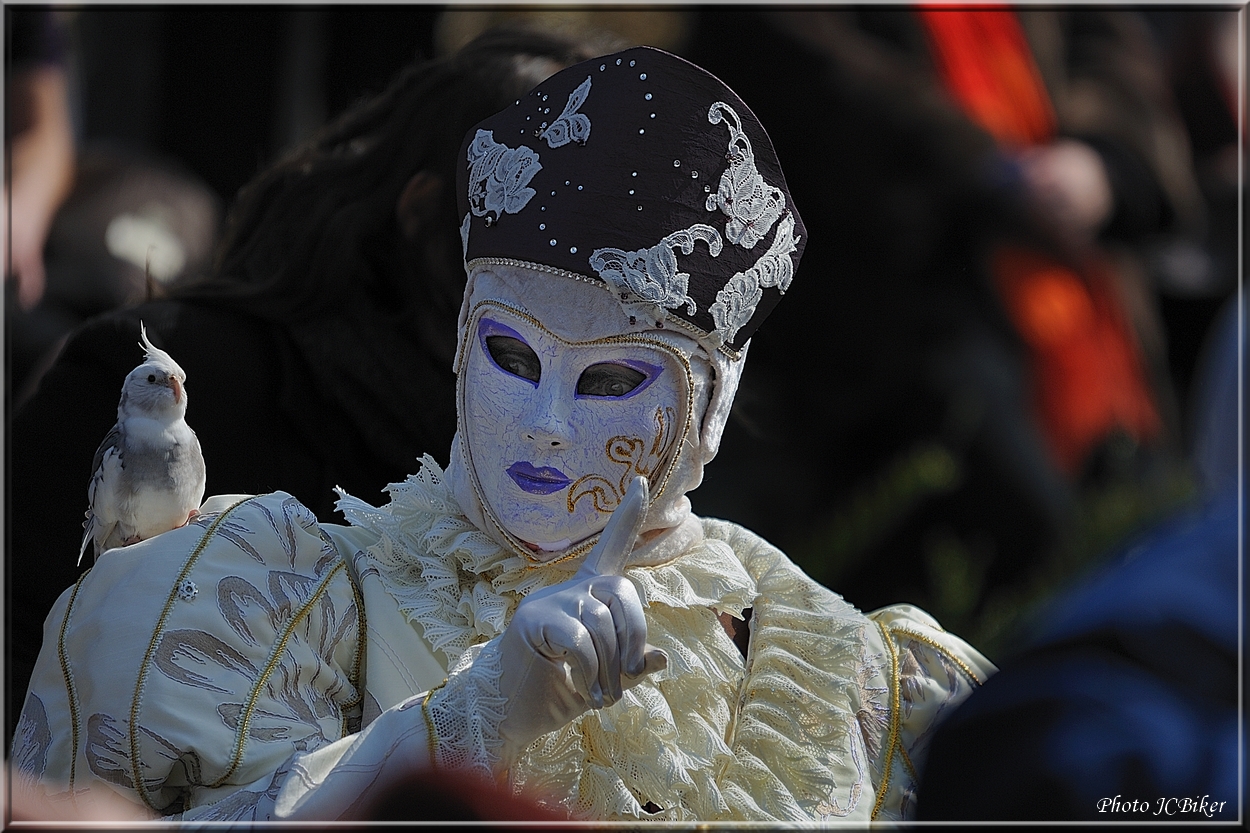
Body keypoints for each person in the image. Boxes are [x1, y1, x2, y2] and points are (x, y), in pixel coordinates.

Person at [13, 46, 993, 823]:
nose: (546, 423)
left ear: (710, 400)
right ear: (458, 342)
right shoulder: (263, 597)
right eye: (511, 355)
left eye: (612, 377)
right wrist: (477, 714)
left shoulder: (838, 662)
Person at [6, 27, 598, 745]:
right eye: (542, 231)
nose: (579, 287)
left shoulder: (575, 472)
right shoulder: (166, 386)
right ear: (422, 214)